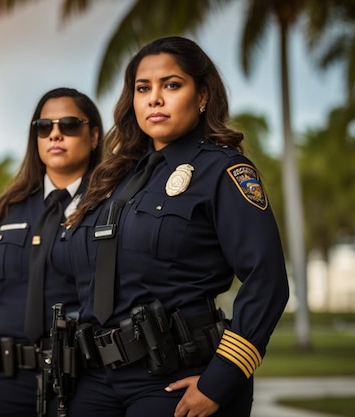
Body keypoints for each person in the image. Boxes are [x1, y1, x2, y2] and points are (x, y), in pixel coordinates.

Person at [58, 36, 289, 417]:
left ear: (202, 96)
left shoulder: (223, 170)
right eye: (143, 88)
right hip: (97, 380)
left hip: (175, 379)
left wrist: (220, 381)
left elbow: (267, 281)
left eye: (172, 85)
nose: (155, 99)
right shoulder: (112, 179)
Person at [0, 87, 103, 417]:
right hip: (1, 385)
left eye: (69, 125)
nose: (55, 134)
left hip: (82, 385)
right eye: (44, 127)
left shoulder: (110, 210)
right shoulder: (6, 212)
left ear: (93, 136)